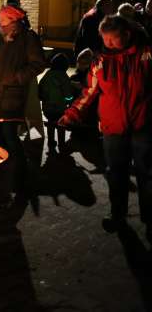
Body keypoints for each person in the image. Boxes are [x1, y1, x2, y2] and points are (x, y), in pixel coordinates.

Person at [59, 15, 152, 242]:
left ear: (127, 35)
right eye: (105, 40)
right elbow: (90, 91)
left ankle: (149, 218)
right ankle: (117, 213)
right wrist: (72, 114)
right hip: (113, 127)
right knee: (116, 173)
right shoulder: (101, 60)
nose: (108, 44)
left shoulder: (146, 54)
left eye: (113, 39)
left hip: (143, 124)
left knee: (147, 174)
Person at [0, 5, 47, 200]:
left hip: (12, 96)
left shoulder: (27, 38)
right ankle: (2, 175)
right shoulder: (1, 38)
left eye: (2, 20)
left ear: (13, 21)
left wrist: (16, 78)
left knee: (10, 137)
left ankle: (20, 178)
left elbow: (38, 63)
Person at [38, 53, 74, 153]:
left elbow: (40, 88)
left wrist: (43, 98)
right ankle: (61, 143)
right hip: (60, 108)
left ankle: (50, 142)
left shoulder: (47, 75)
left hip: (47, 108)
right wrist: (70, 103)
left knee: (50, 123)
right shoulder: (64, 76)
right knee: (61, 125)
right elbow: (68, 93)